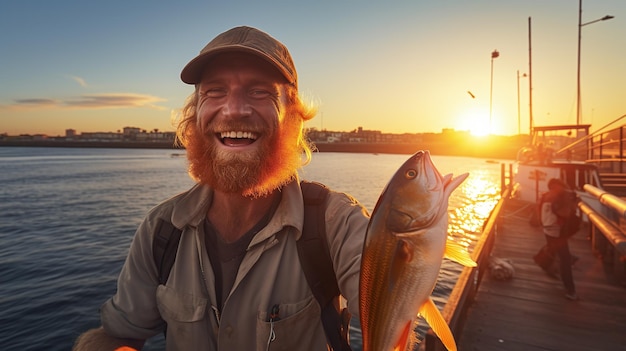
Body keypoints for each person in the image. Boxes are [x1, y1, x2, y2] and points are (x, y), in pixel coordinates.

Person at [73, 26, 370, 350]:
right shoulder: (161, 230)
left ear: (293, 118)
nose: (234, 109)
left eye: (260, 92)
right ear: (194, 114)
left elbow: (395, 314)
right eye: (214, 91)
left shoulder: (336, 225)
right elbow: (121, 334)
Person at [533, 178, 580, 300]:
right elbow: (563, 213)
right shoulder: (557, 197)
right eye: (561, 186)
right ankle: (570, 290)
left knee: (554, 249)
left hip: (547, 229)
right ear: (557, 186)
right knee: (565, 260)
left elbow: (539, 213)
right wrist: (572, 206)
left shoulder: (545, 196)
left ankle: (545, 263)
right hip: (556, 232)